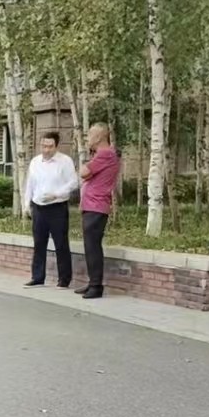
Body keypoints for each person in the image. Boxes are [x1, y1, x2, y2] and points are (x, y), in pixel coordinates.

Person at [22, 131, 78, 288]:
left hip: (57, 207)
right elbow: (30, 184)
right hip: (38, 207)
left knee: (61, 243)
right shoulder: (35, 162)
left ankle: (64, 279)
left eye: (50, 146)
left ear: (56, 146)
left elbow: (74, 182)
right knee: (39, 243)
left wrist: (57, 194)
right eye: (43, 146)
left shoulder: (65, 161)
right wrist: (26, 204)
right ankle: (37, 277)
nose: (46, 150)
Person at [76, 123, 121, 299]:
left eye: (90, 135)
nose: (87, 138)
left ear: (99, 137)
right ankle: (92, 282)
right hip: (92, 205)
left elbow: (84, 172)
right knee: (90, 246)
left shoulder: (105, 154)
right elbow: (88, 174)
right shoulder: (103, 155)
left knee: (93, 246)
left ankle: (96, 286)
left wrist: (86, 167)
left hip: (96, 206)